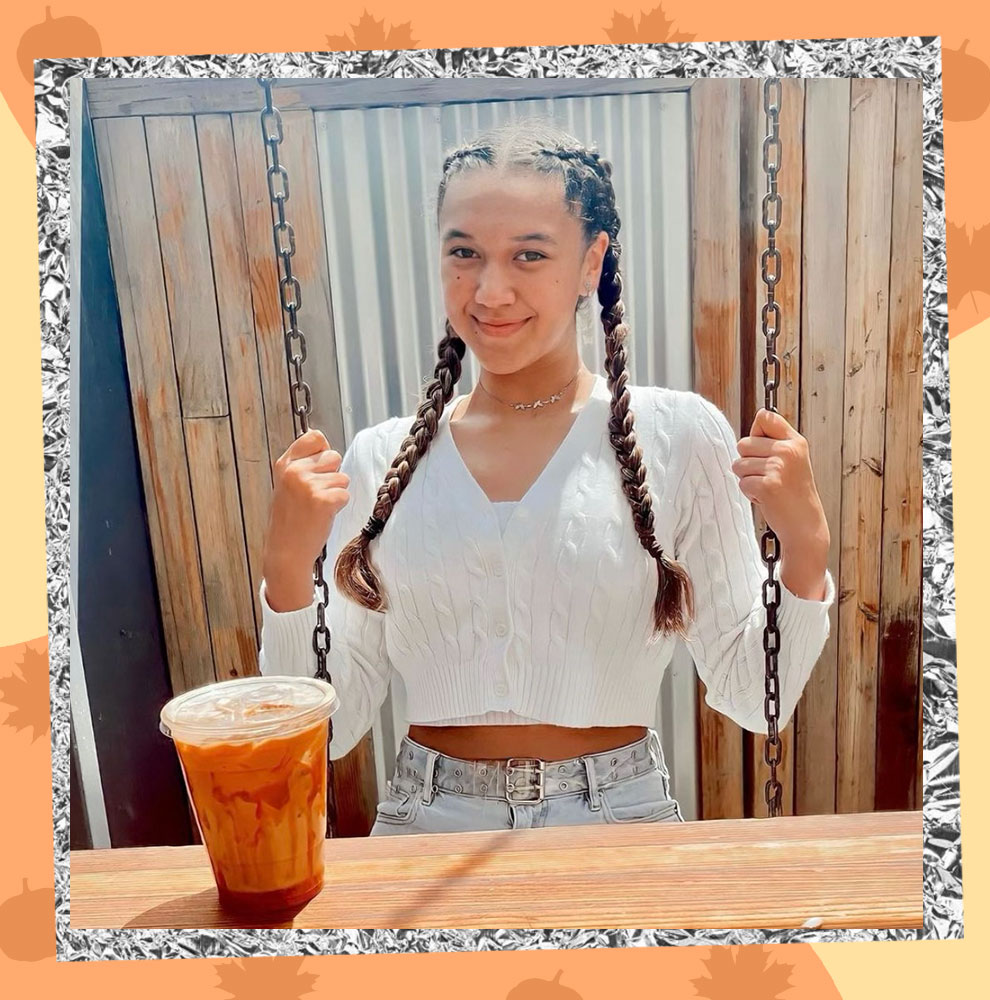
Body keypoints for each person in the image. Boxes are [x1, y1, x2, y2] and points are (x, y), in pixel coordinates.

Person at [258, 117, 836, 836]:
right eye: (464, 252)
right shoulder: (380, 460)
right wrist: (287, 567)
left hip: (621, 824)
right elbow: (328, 727)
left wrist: (806, 548)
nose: (490, 290)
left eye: (529, 255)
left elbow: (758, 697)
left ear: (592, 263)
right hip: (424, 824)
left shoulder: (677, 436)